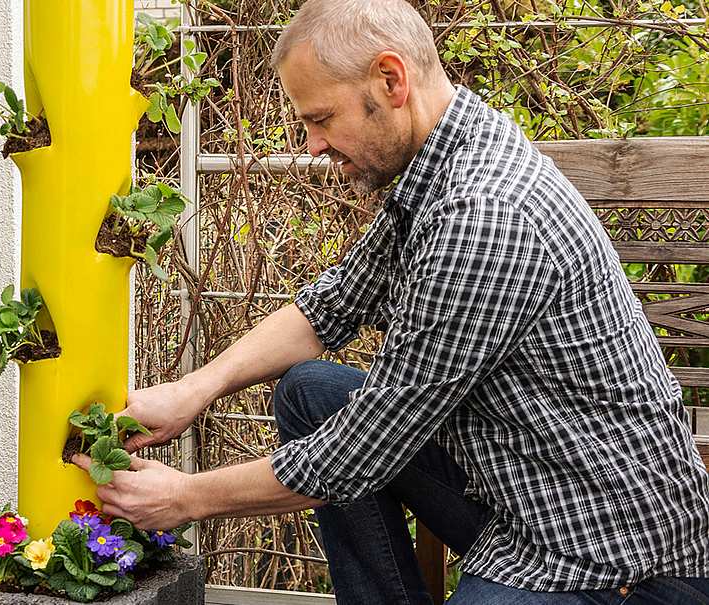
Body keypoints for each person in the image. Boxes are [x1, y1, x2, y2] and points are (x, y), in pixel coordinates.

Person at [72, 0, 709, 602]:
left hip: (605, 553)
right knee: (310, 390)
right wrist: (194, 391)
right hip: (515, 484)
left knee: (344, 438)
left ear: (390, 80)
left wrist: (187, 497)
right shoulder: (439, 166)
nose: (313, 145)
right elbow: (327, 310)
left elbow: (369, 444)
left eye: (321, 119)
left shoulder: (482, 214)